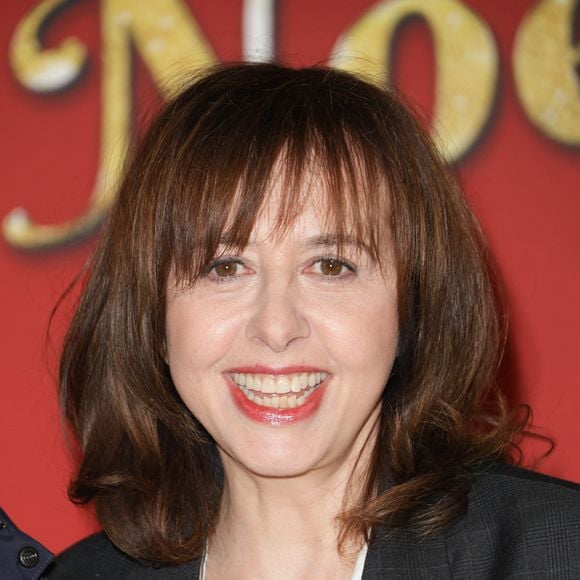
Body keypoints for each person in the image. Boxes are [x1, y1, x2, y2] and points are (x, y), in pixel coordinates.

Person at [46, 63, 580, 579]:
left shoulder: (556, 555)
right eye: (225, 267)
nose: (276, 327)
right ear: (151, 317)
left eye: (331, 266)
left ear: (413, 307)